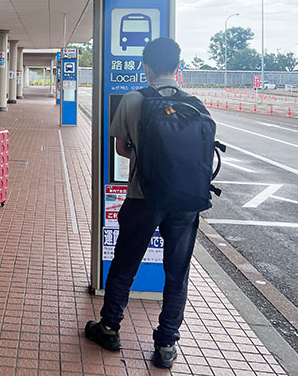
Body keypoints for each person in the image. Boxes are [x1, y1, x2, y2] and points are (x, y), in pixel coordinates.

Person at [85, 37, 204, 369]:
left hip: (144, 196)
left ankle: (109, 328)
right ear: (178, 67)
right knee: (177, 273)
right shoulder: (195, 103)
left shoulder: (134, 99)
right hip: (186, 202)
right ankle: (166, 344)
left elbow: (122, 148)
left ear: (146, 67)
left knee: (125, 264)